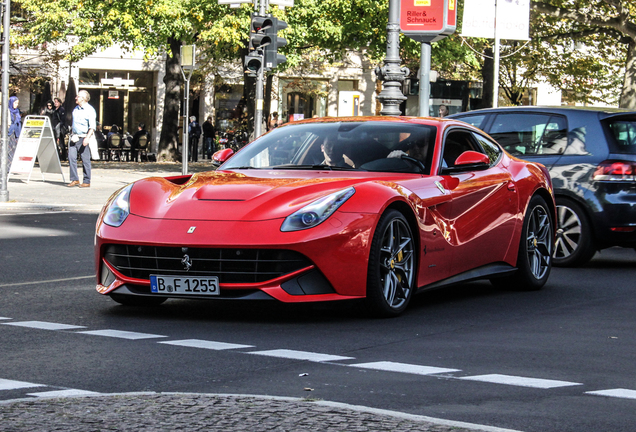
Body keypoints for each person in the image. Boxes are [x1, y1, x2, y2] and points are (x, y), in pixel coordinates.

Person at [67, 90, 96, 188]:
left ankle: (87, 180)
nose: (76, 98)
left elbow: (92, 126)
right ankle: (74, 179)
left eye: (78, 96)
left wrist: (87, 138)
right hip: (74, 136)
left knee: (85, 159)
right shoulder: (75, 109)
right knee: (71, 158)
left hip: (83, 137)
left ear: (83, 99)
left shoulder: (90, 110)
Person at [6, 96, 21, 173]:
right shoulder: (8, 111)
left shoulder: (17, 111)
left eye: (17, 103)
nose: (16, 105)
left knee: (14, 150)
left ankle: (13, 167)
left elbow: (19, 122)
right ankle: (7, 167)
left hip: (16, 133)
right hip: (9, 132)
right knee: (8, 150)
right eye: (15, 103)